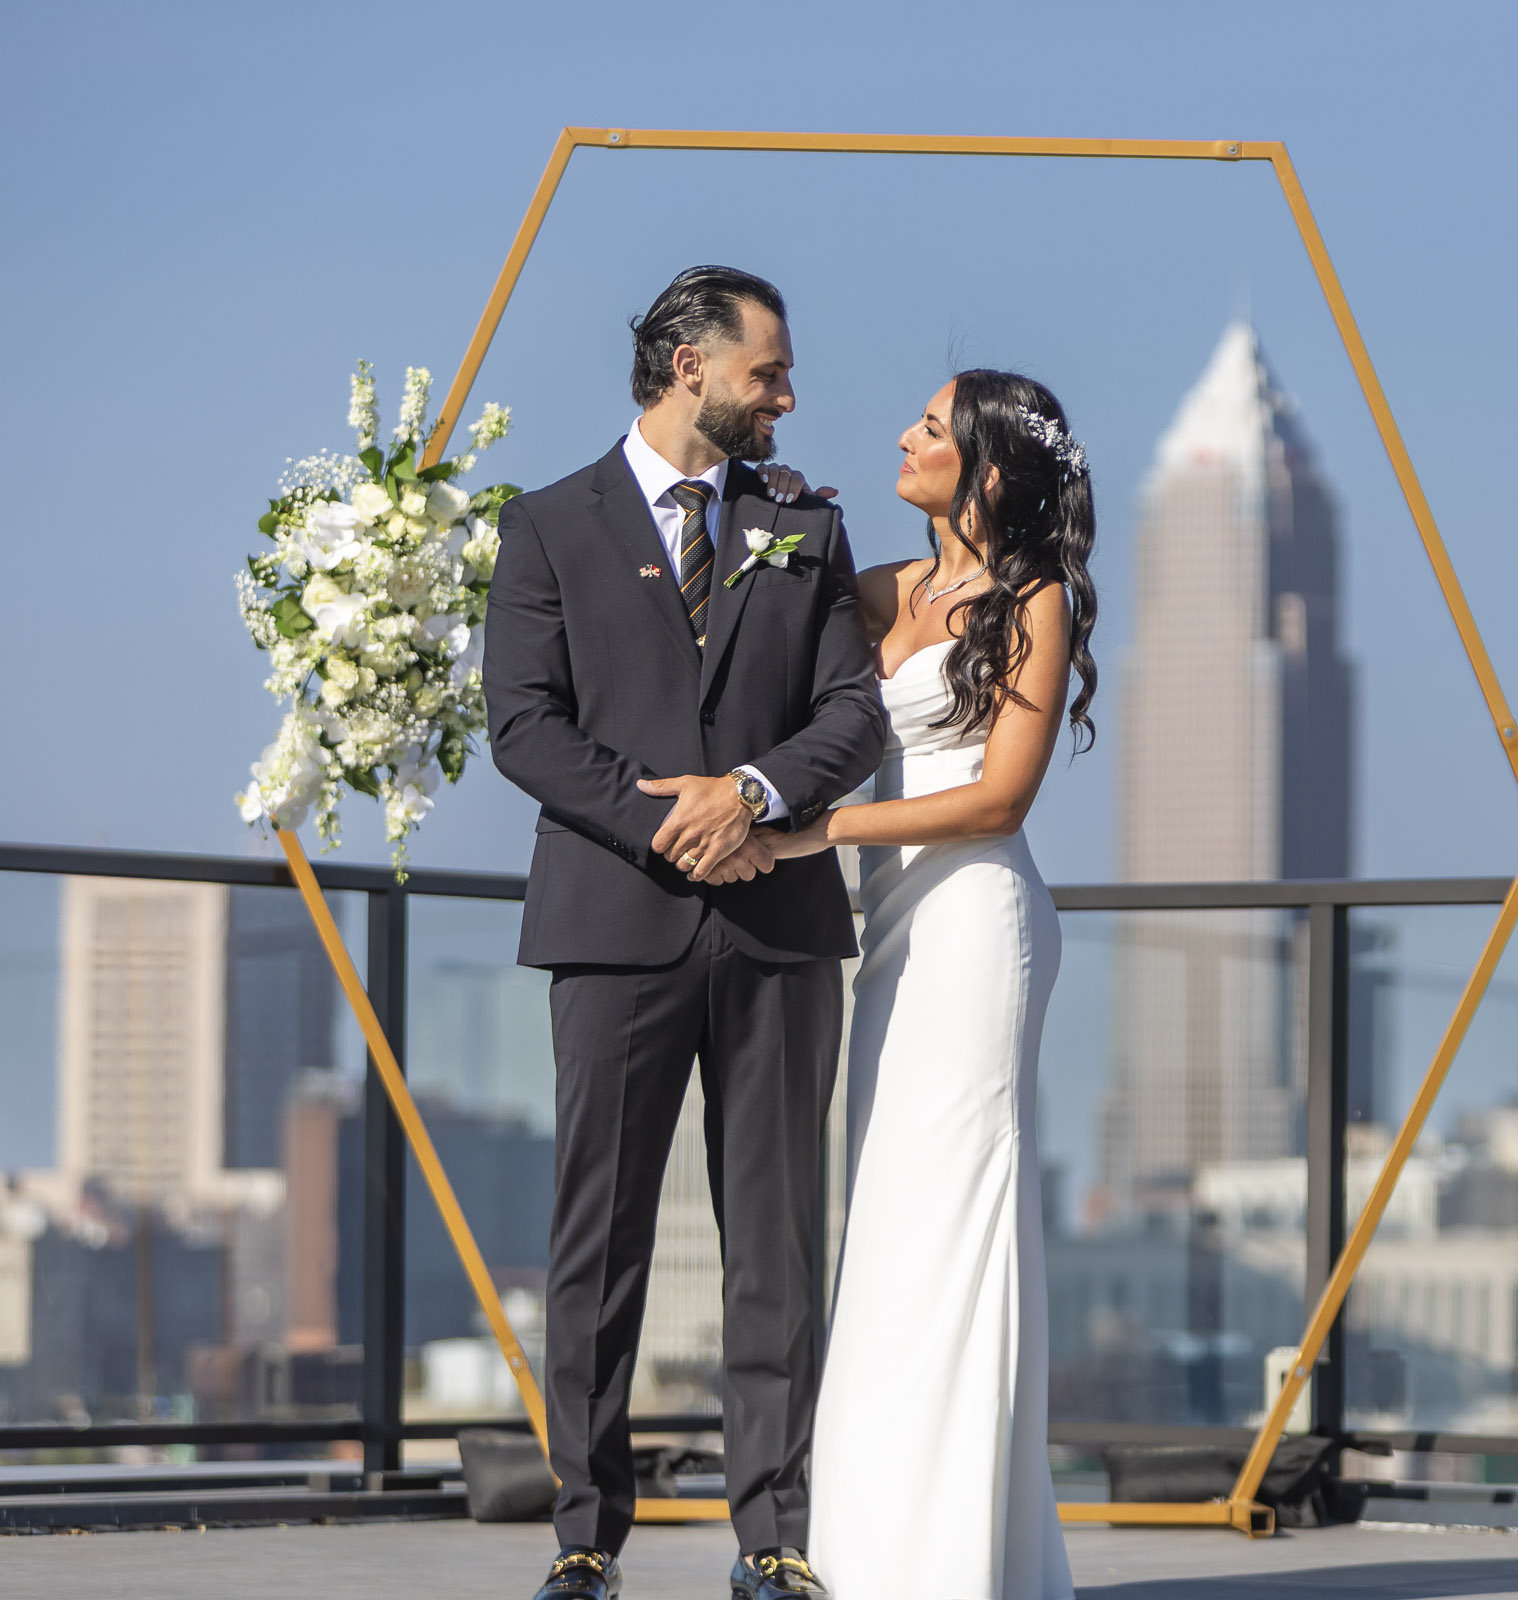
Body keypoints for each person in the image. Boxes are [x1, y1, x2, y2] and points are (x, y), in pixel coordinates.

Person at [485, 265, 886, 1600]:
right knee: (597, 1242)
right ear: (685, 366)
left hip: (776, 930)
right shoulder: (547, 526)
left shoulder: (805, 525)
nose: (786, 395)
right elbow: (523, 725)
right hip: (615, 925)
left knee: (776, 1243)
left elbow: (853, 713)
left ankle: (772, 1535)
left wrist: (754, 797)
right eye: (767, 371)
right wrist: (670, 824)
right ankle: (587, 1541)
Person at [743, 369, 1096, 1599]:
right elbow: (768, 620)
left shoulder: (1036, 600)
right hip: (891, 930)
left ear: (987, 469)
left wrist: (819, 834)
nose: (905, 433)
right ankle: (871, 1547)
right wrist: (770, 508)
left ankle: (952, 1561)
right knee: (890, 1226)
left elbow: (1001, 797)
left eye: (933, 427)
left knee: (957, 1227)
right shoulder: (881, 584)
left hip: (978, 930)